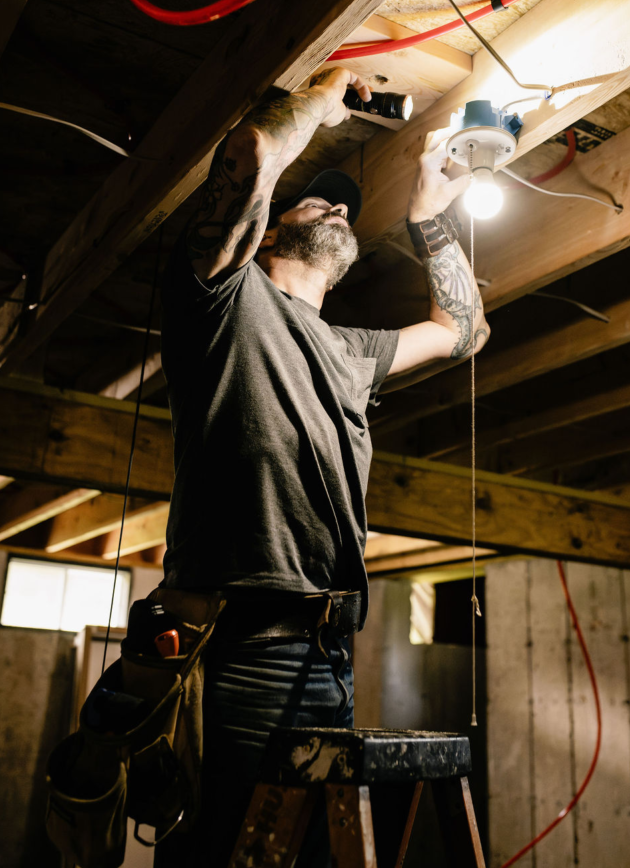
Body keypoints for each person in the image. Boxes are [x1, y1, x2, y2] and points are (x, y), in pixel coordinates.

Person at [157, 66, 489, 866]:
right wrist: (324, 98)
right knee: (223, 851)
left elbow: (463, 332)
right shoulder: (222, 300)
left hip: (328, 652)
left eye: (343, 206)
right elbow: (250, 150)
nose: (338, 207)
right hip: (237, 646)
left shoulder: (351, 351)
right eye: (317, 201)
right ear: (268, 232)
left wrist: (427, 218)